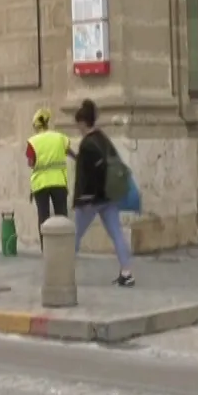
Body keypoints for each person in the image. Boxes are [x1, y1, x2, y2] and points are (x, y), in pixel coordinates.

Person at [70, 98, 135, 287]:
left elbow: (87, 175)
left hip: (90, 199)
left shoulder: (86, 144)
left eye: (78, 125)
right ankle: (127, 272)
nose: (78, 128)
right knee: (116, 233)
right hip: (108, 196)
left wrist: (82, 199)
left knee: (73, 235)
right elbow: (101, 165)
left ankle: (63, 273)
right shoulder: (103, 139)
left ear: (82, 122)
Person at [25, 108, 70, 238]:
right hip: (59, 182)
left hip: (40, 184)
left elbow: (31, 163)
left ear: (35, 126)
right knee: (62, 217)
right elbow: (69, 151)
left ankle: (46, 248)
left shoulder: (33, 141)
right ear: (47, 123)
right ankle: (63, 245)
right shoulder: (60, 137)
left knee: (43, 217)